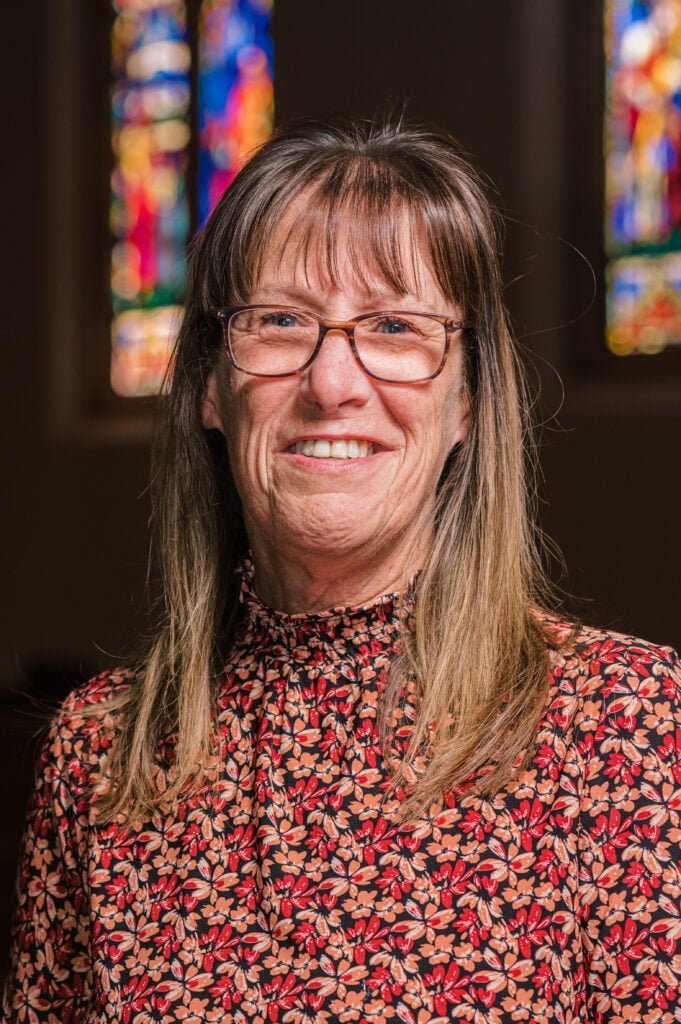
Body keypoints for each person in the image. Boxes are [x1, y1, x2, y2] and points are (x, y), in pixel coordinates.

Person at [2, 113, 680, 1024]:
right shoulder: (99, 753)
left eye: (395, 327)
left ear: (467, 400)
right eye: (281, 321)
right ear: (210, 385)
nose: (332, 384)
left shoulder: (628, 725)